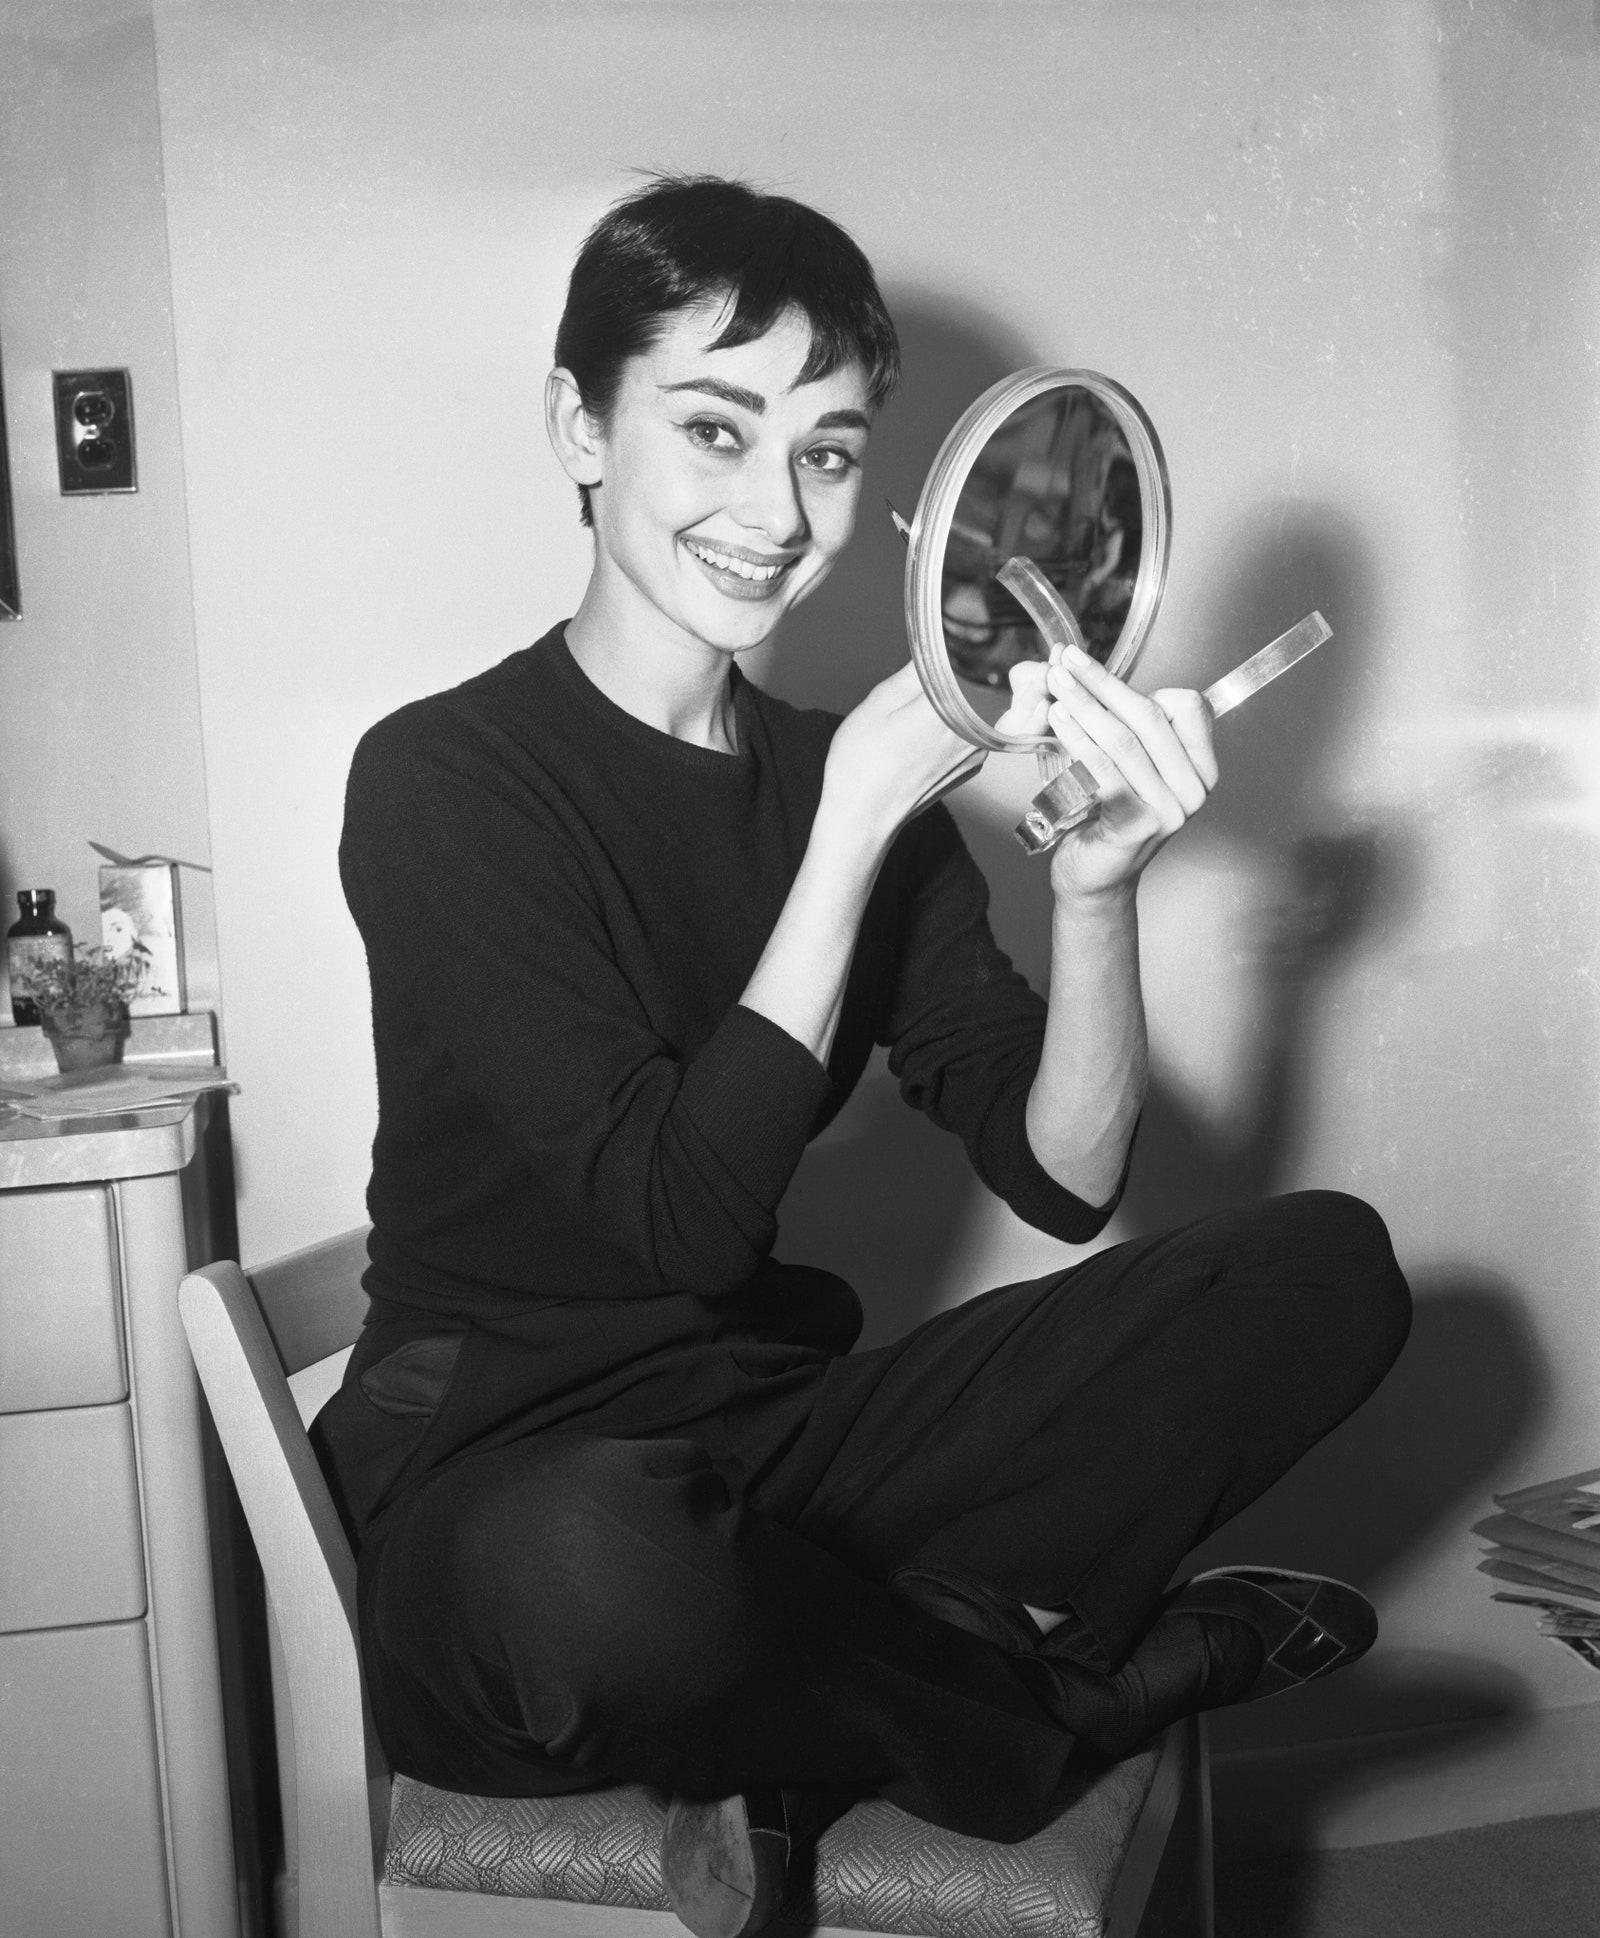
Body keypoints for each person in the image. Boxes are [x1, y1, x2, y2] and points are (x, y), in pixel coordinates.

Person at [316, 175, 1411, 1938]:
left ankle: (803, 1711)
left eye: (825, 452)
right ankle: (1048, 1713)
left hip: (780, 1456)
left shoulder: (859, 789)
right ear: (579, 426)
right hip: (502, 1502)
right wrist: (842, 833)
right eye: (714, 428)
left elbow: (1066, 1176)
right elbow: (678, 1218)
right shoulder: (444, 782)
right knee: (603, 1564)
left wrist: (1098, 889)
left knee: (1327, 1271)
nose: (775, 509)